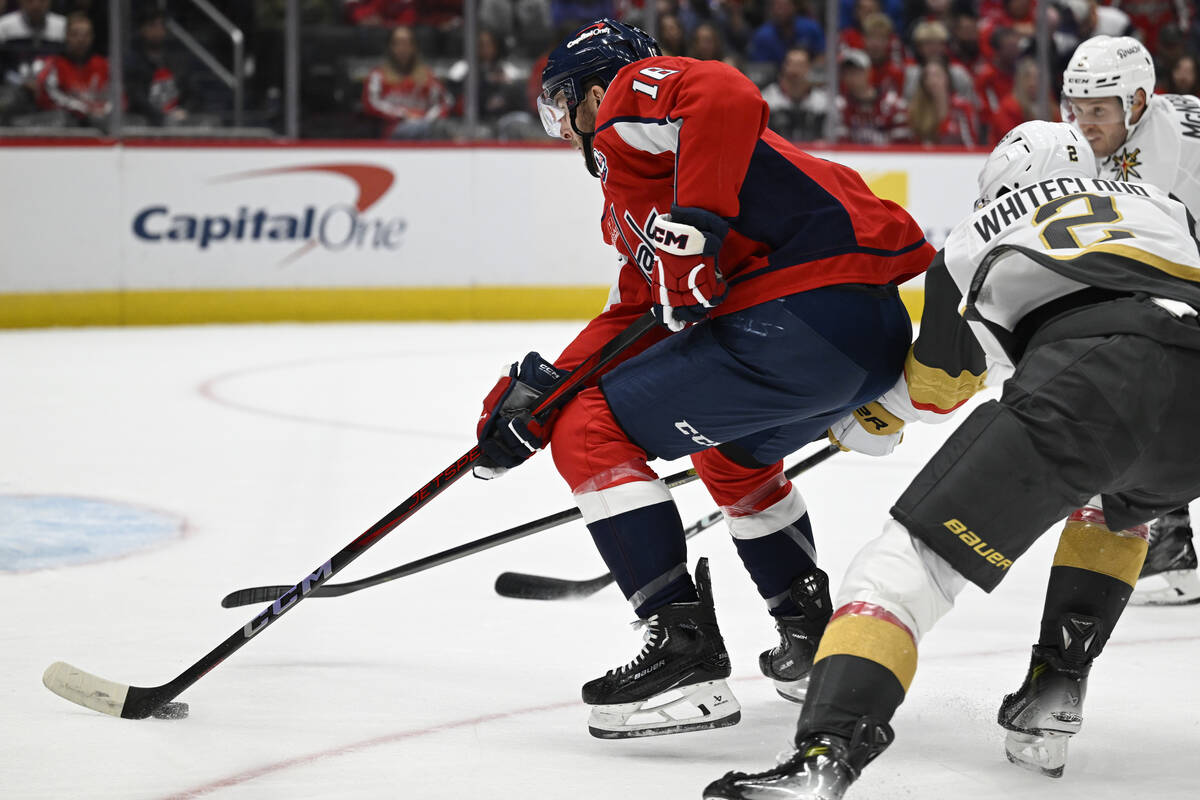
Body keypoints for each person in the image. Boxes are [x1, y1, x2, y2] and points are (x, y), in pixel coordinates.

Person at [704, 119, 1200, 799]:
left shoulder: (982, 229)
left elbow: (942, 379)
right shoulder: (1162, 203)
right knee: (1115, 501)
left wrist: (877, 414)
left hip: (1097, 376)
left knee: (903, 569)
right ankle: (1056, 682)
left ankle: (827, 752)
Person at [478, 18, 935, 739]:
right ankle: (810, 635)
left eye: (562, 107)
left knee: (590, 429)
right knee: (725, 454)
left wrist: (695, 227)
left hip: (798, 319)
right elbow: (638, 311)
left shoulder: (634, 104)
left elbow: (722, 87)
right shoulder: (638, 189)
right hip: (862, 338)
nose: (563, 131)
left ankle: (681, 647)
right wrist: (541, 394)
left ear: (597, 93)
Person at [1060, 34, 1200, 604]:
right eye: (1076, 109)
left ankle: (1173, 533)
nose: (1084, 124)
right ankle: (1175, 537)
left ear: (1137, 102)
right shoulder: (1143, 121)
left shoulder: (1161, 160)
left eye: (1098, 111)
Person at [361, 24, 452, 139]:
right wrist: (404, 115)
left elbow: (444, 102)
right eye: (397, 43)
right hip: (391, 129)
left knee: (441, 128)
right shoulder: (378, 75)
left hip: (424, 125)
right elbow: (370, 104)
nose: (402, 48)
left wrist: (425, 118)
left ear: (414, 47)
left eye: (407, 43)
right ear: (390, 47)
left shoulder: (427, 76)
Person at [26, 12, 110, 129]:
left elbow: (117, 97)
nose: (81, 39)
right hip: (66, 128)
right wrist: (85, 110)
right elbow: (49, 98)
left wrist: (104, 110)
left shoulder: (104, 65)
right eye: (75, 34)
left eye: (86, 35)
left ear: (92, 37)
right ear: (66, 36)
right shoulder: (53, 65)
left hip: (100, 124)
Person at [0, 0, 65, 120]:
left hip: (53, 88)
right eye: (30, 1)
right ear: (21, 2)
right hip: (14, 87)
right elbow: (2, 66)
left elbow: (66, 61)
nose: (36, 5)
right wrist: (20, 81)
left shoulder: (61, 26)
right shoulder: (4, 26)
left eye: (41, 1)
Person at [760, 46, 830, 142]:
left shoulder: (822, 102)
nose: (795, 70)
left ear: (809, 68)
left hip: (813, 153)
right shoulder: (767, 99)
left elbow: (828, 138)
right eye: (791, 64)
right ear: (784, 67)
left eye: (800, 65)